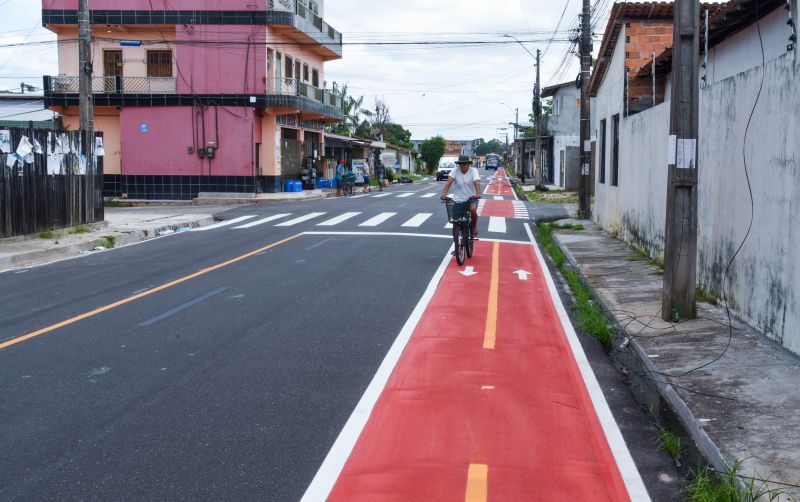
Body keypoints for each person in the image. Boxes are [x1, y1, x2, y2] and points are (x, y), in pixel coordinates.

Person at [440, 155, 481, 237]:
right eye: (460, 163)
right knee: (455, 223)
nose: (462, 165)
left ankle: (474, 226)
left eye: (464, 163)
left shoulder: (473, 171)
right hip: (457, 199)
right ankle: (456, 247)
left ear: (468, 164)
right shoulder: (454, 171)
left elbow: (477, 182)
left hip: (471, 198)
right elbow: (448, 183)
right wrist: (443, 194)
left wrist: (478, 193)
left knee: (473, 209)